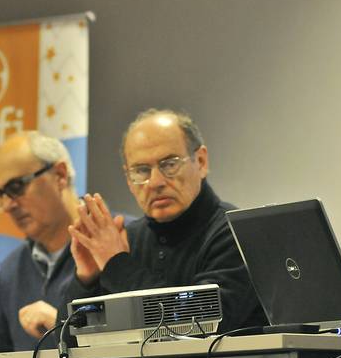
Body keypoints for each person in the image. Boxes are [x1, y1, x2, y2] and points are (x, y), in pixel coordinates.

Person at [66, 108, 266, 332]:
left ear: (200, 162)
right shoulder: (128, 238)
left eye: (169, 164)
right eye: (141, 170)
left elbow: (197, 324)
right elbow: (66, 344)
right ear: (129, 180)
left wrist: (116, 264)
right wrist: (87, 279)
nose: (155, 182)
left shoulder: (237, 234)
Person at [0, 131, 79, 353]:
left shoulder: (119, 240)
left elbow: (138, 343)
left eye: (16, 187)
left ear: (59, 175)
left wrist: (60, 324)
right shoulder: (11, 270)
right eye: (1, 195)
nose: (8, 206)